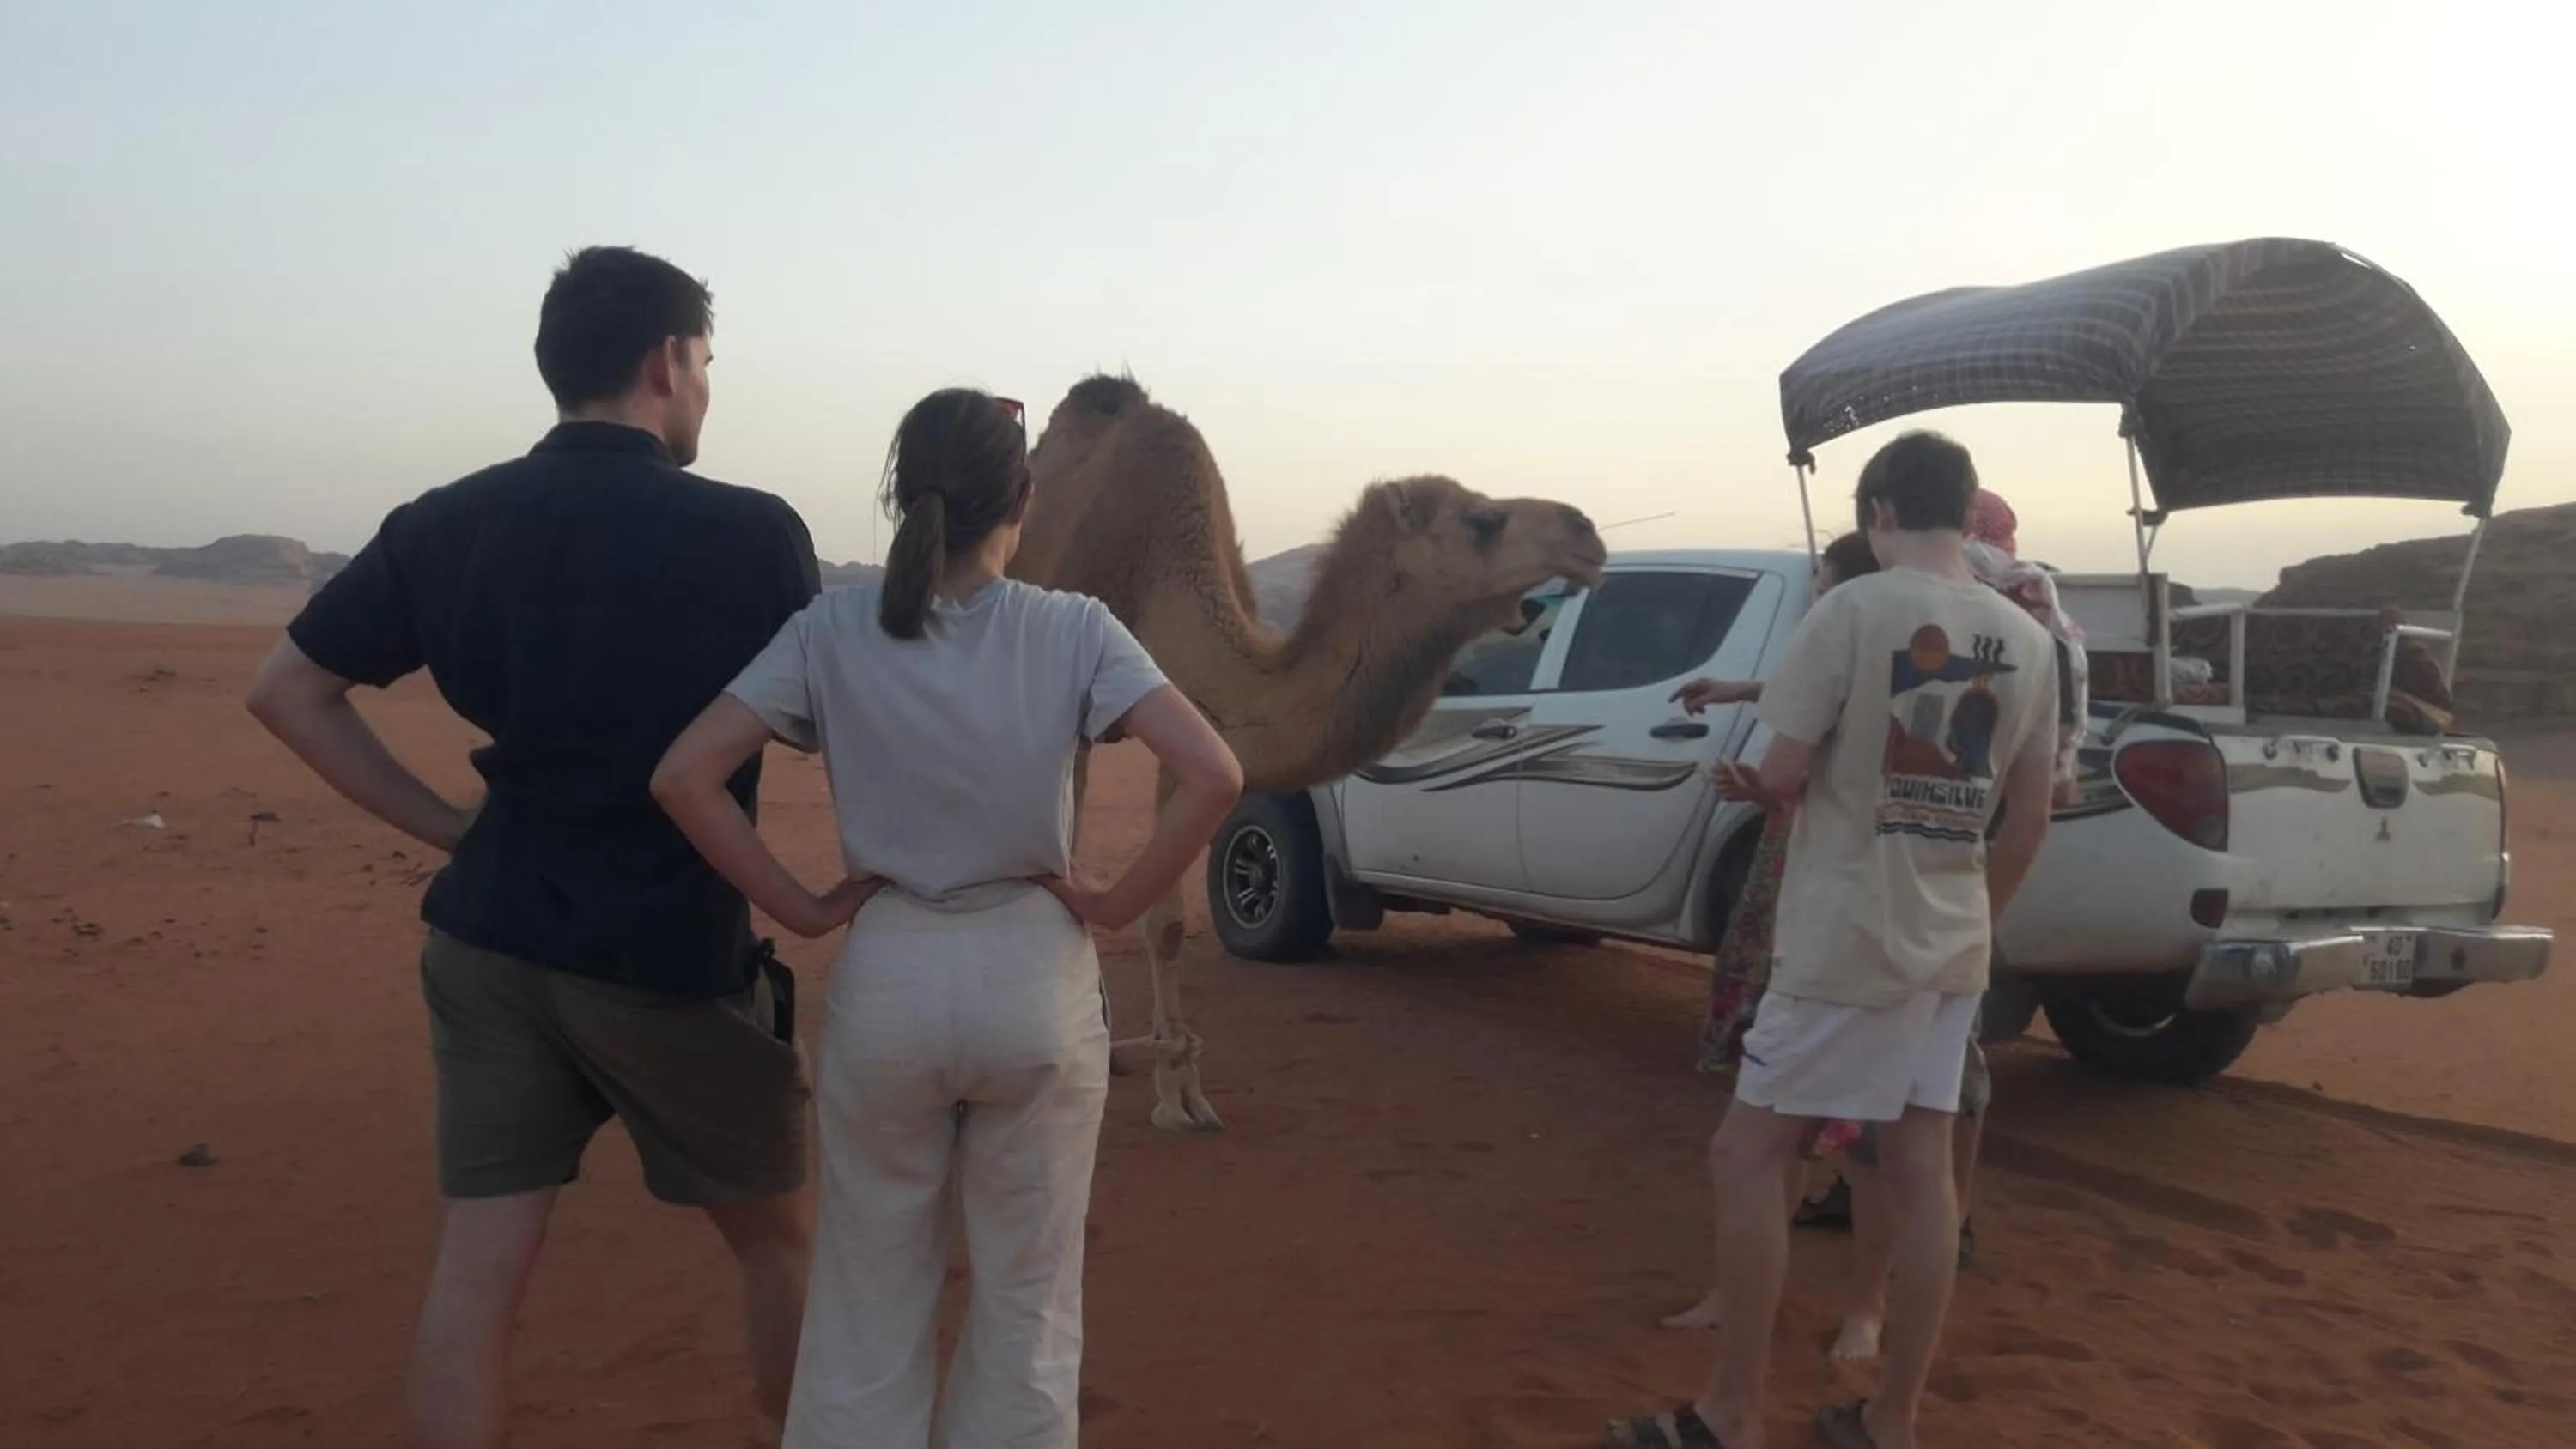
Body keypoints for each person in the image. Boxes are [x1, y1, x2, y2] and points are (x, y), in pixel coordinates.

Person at [243, 246, 827, 1448]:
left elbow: (288, 691)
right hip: (667, 953)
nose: (708, 386)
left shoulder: (446, 520)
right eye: (707, 361)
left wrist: (455, 829)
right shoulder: (755, 534)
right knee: (776, 1239)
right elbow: (832, 732)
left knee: (480, 1262)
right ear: (667, 362)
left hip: (491, 939)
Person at [651, 388, 1243, 1448]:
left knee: (866, 1301)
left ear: (896, 493)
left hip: (890, 975)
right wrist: (1114, 903)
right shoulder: (1073, 630)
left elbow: (685, 775)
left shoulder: (832, 627)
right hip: (1035, 978)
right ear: (1023, 496)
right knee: (1028, 1307)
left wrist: (804, 906)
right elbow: (1212, 771)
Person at [1607, 431, 2058, 1449]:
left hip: (1844, 933)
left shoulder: (1849, 609)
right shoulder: (2027, 640)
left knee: (1748, 1150)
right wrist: (1971, 918)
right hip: (1951, 942)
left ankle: (1730, 1410)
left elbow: (1783, 770)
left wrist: (1758, 785)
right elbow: (2027, 820)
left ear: (1878, 511)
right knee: (1924, 1170)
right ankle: (1892, 1417)